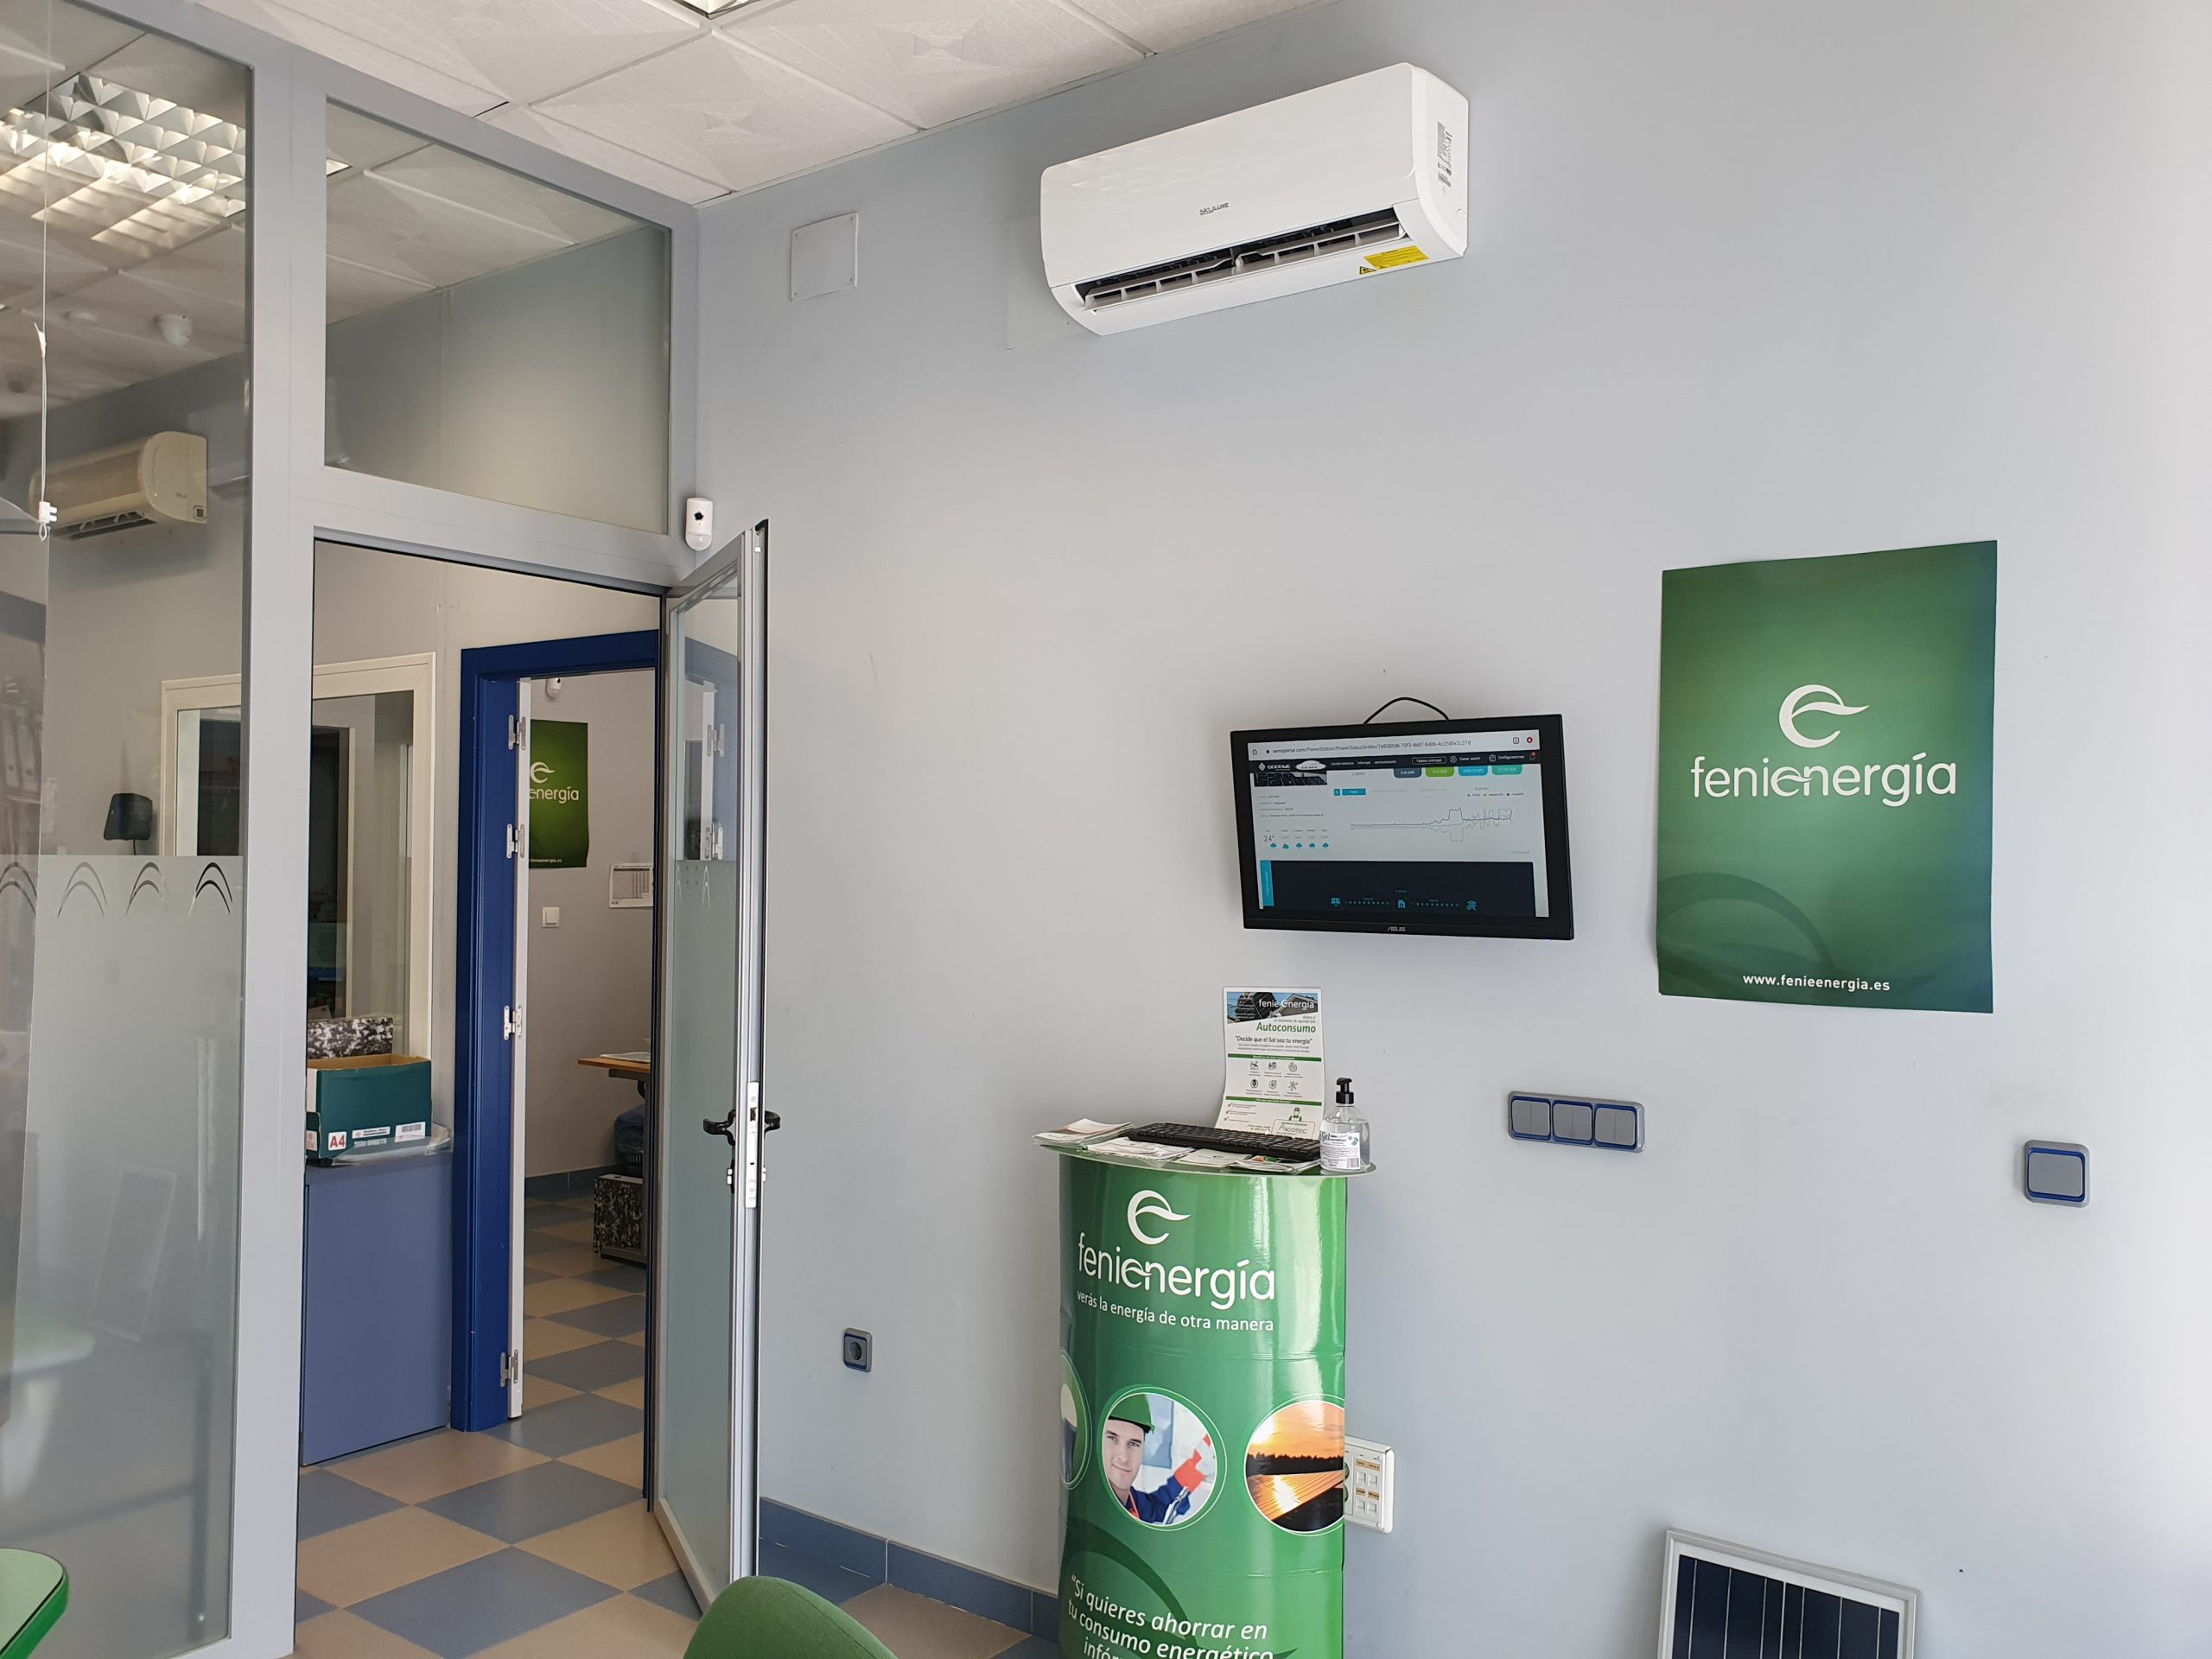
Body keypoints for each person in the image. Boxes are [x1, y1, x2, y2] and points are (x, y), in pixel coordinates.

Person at [1101, 1397, 1211, 1524]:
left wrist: (1198, 1463)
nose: (1124, 1457)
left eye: (1134, 1444)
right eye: (1112, 1439)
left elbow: (1162, 1506)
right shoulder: (1087, 1509)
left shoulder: (1134, 1503)